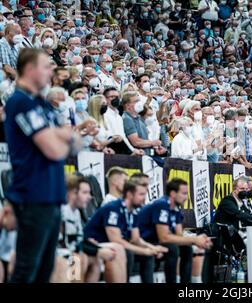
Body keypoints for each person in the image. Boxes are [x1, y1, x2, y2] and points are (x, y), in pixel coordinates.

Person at [4, 48, 81, 283]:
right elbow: (54, 150)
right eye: (46, 66)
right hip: (33, 194)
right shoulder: (20, 102)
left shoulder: (42, 104)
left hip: (51, 195)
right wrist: (65, 135)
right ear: (30, 68)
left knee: (44, 271)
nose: (51, 71)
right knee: (27, 269)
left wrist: (65, 136)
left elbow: (76, 144)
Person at [83, 181, 168, 283]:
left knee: (147, 255)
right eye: (141, 194)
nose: (144, 198)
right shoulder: (113, 208)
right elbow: (116, 240)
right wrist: (144, 250)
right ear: (129, 194)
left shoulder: (133, 211)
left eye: (145, 194)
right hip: (96, 244)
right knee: (127, 253)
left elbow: (135, 239)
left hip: (107, 246)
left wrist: (152, 248)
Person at [137, 178, 212, 283]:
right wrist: (195, 239)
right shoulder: (161, 205)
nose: (186, 197)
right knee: (172, 249)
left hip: (158, 240)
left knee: (186, 248)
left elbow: (179, 236)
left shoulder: (176, 209)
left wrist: (197, 240)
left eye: (187, 194)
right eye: (184, 193)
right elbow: (164, 237)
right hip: (143, 240)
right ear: (172, 193)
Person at [60, 174, 127, 282]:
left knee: (101, 257)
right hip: (59, 253)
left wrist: (98, 250)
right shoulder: (61, 211)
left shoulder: (76, 211)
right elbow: (67, 244)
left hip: (71, 250)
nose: (90, 197)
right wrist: (97, 251)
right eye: (85, 193)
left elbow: (79, 239)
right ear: (72, 193)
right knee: (78, 258)